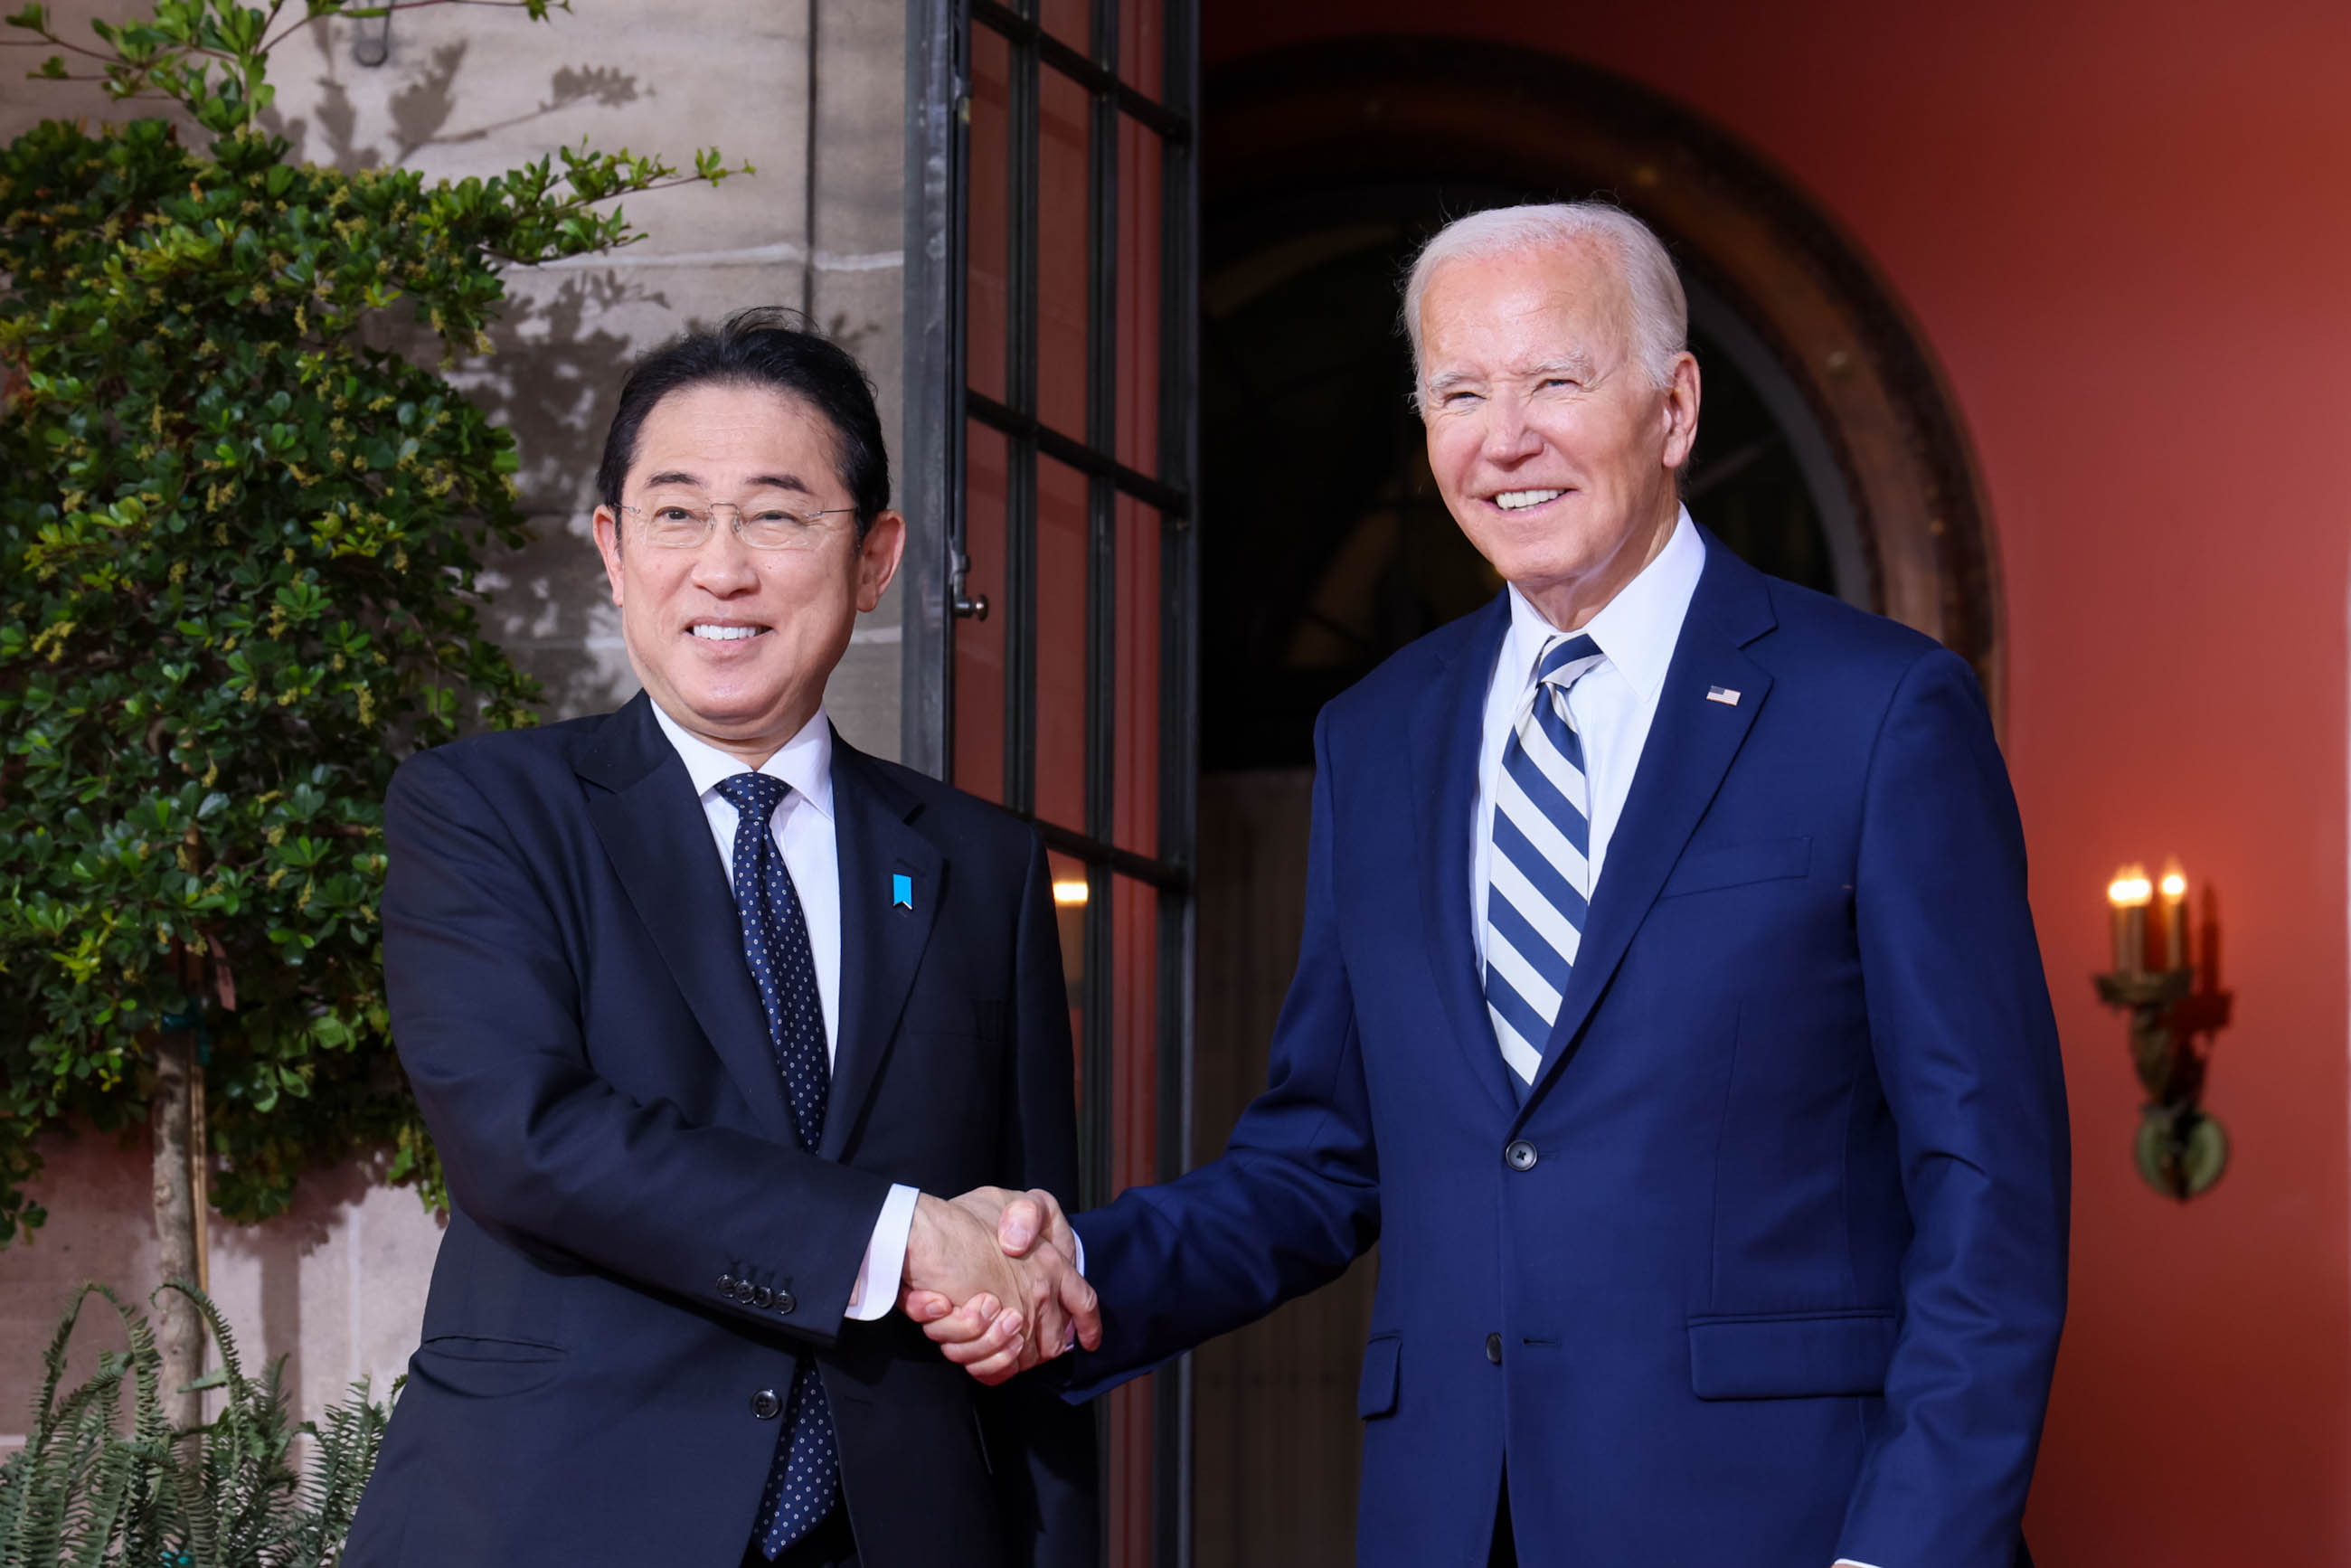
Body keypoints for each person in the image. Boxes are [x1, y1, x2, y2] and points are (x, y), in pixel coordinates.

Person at [917, 204, 2069, 1568]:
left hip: (1790, 1521)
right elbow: (1319, 1156)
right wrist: (1076, 1272)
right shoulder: (1380, 732)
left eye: (1554, 381)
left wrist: (1911, 1547)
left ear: (1674, 404)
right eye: (1459, 392)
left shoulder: (1876, 711)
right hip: (1454, 1521)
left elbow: (1988, 1177)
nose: (1501, 437)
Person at [346, 309, 1101, 1568]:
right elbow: (527, 1140)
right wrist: (897, 1231)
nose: (723, 567)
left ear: (874, 557)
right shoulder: (487, 811)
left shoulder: (984, 865)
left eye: (778, 513)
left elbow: (1026, 1275)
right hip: (555, 1519)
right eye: (678, 513)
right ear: (613, 551)